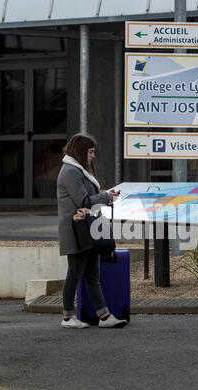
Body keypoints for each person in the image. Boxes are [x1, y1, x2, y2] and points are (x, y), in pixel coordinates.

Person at [57, 133, 127, 329]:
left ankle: (104, 316)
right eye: (90, 152)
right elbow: (83, 200)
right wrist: (105, 196)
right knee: (75, 273)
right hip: (77, 231)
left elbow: (87, 197)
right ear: (80, 152)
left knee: (92, 274)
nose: (93, 156)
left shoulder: (78, 170)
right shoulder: (71, 171)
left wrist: (106, 195)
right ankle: (68, 317)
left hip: (87, 229)